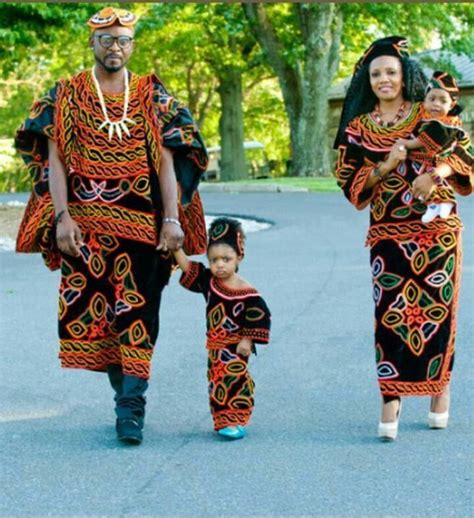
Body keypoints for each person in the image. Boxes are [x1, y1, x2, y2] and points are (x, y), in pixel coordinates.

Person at [15, 7, 208, 445]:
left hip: (144, 227)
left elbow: (166, 161)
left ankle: (131, 408)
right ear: (93, 44)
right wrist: (62, 218)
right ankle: (125, 395)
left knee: (140, 313)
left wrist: (173, 219)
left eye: (123, 40)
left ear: (132, 45)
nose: (115, 47)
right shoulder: (65, 94)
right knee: (100, 320)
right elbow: (56, 162)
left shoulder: (151, 95)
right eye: (107, 40)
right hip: (85, 229)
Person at [334, 36, 473, 441]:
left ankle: (438, 388)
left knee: (438, 311)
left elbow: (462, 150)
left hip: (437, 230)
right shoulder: (358, 128)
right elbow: (348, 179)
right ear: (368, 80)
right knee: (391, 316)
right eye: (376, 73)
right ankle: (390, 397)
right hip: (388, 232)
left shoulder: (429, 109)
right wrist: (386, 165)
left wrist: (437, 174)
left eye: (391, 71)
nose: (383, 79)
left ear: (403, 74)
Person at [173, 217, 271, 440]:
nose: (220, 265)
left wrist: (247, 340)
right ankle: (222, 420)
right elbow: (188, 268)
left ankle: (237, 419)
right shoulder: (209, 282)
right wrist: (176, 248)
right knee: (216, 383)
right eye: (214, 259)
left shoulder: (248, 292)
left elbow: (259, 317)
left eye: (226, 259)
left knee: (235, 381)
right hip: (215, 350)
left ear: (239, 258)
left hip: (235, 349)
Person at [395, 71, 468, 224]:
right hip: (421, 163)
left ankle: (445, 202)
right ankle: (434, 204)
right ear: (424, 100)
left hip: (437, 160)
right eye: (432, 99)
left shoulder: (446, 123)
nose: (436, 104)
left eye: (442, 101)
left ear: (452, 104)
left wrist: (407, 144)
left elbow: (425, 140)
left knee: (438, 182)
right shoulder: (423, 117)